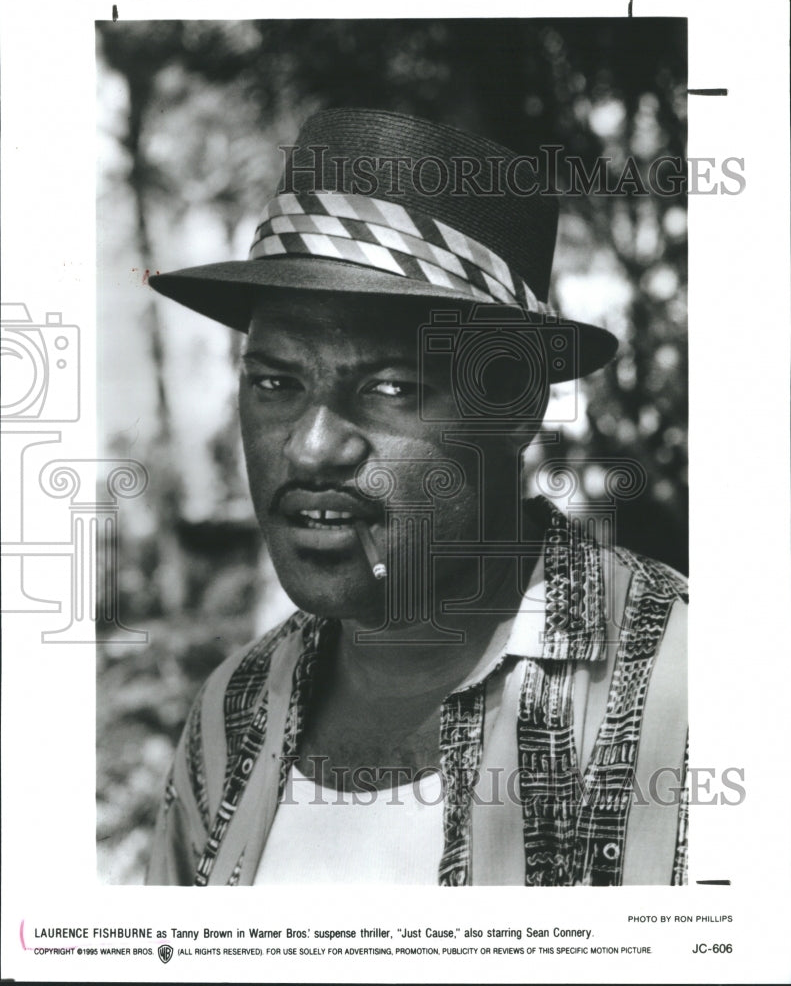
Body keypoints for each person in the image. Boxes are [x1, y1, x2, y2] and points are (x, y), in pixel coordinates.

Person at [145, 108, 688, 887]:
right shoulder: (232, 715)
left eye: (391, 386)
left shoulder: (698, 690)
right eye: (274, 382)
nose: (309, 447)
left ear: (516, 406)